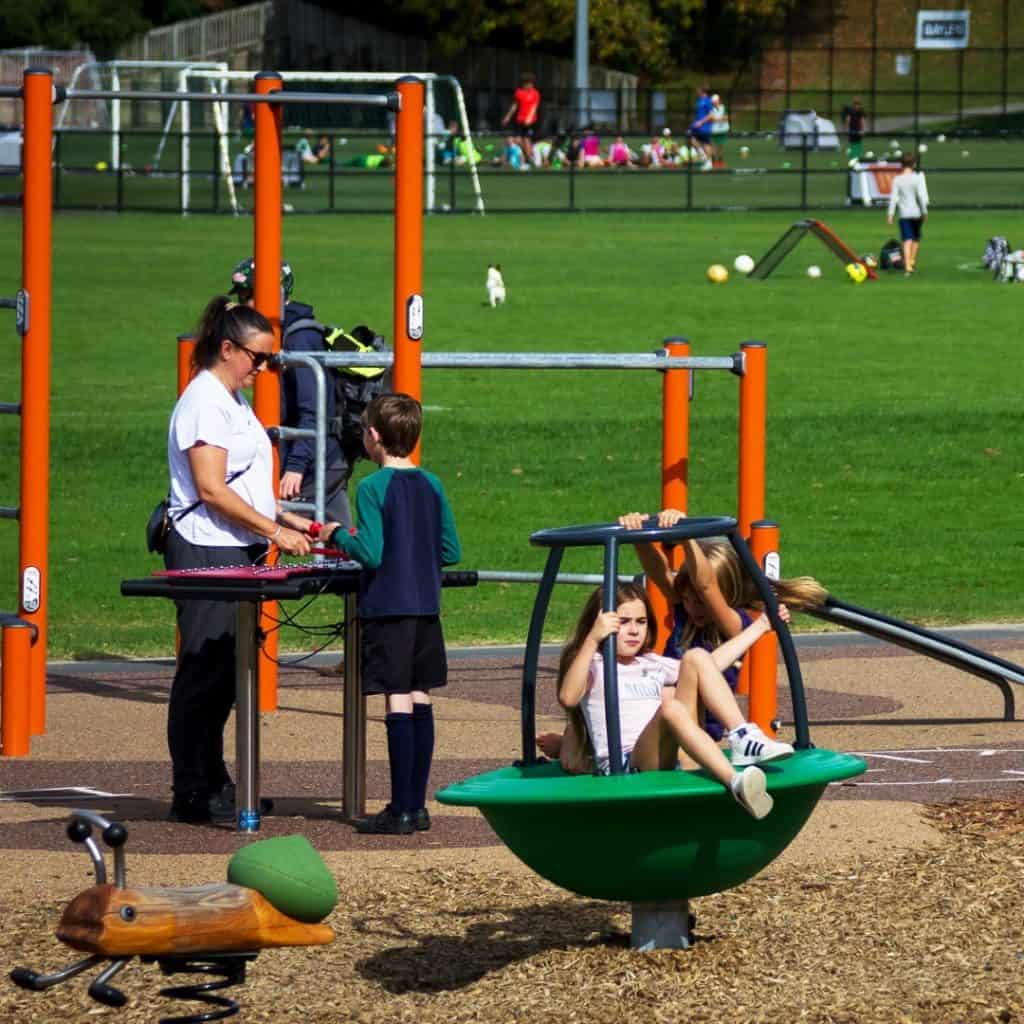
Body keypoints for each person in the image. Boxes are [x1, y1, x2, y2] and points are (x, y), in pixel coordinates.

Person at [164, 297, 314, 824]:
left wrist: (284, 515)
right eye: (258, 357)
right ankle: (192, 789)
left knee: (228, 670)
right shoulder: (205, 401)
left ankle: (216, 781)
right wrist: (273, 529)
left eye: (270, 360)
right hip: (206, 545)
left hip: (235, 543)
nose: (264, 368)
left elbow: (238, 480)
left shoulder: (231, 399)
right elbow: (209, 488)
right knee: (204, 670)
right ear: (227, 349)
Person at [322, 394, 461, 835]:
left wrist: (338, 534)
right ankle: (416, 805)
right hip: (426, 605)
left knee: (396, 699)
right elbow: (450, 550)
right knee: (420, 696)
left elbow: (371, 551)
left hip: (388, 605)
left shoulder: (371, 488)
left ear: (375, 437)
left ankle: (399, 808)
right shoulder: (433, 484)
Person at [554, 582, 793, 819]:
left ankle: (742, 735)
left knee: (697, 657)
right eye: (623, 622)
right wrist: (593, 639)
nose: (635, 631)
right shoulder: (595, 664)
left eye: (641, 621)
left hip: (669, 753)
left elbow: (712, 664)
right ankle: (735, 782)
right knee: (670, 705)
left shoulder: (649, 662)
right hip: (626, 764)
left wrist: (761, 625)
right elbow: (568, 696)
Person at [621, 508, 828, 738]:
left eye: (700, 601)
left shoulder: (733, 623)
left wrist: (688, 540)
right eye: (688, 599)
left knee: (691, 668)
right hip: (666, 712)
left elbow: (707, 586)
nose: (692, 607)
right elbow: (659, 574)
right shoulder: (685, 611)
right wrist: (638, 537)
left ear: (727, 594)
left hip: (700, 725)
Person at [228, 258, 353, 528]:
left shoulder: (299, 338)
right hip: (319, 457)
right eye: (241, 295)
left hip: (313, 461)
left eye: (250, 295)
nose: (243, 303)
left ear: (277, 294)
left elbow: (314, 407)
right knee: (339, 539)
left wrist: (296, 465)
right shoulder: (276, 334)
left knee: (271, 526)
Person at [886, 152, 929, 276]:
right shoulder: (917, 178)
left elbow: (894, 198)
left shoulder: (897, 179)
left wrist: (890, 214)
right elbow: (921, 196)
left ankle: (908, 266)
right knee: (916, 238)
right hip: (917, 213)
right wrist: (924, 211)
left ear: (901, 164)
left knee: (906, 239)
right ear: (914, 164)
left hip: (904, 213)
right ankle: (911, 261)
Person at [501, 72, 541, 164]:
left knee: (527, 139)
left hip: (530, 122)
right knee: (518, 139)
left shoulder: (535, 93)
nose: (528, 85)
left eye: (530, 83)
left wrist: (529, 118)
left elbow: (534, 107)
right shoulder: (519, 92)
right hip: (520, 120)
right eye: (526, 83)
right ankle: (527, 156)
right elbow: (514, 105)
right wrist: (508, 116)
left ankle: (530, 157)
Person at [688, 85, 715, 170]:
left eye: (698, 90)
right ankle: (702, 155)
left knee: (706, 144)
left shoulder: (707, 101)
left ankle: (709, 163)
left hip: (705, 127)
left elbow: (711, 115)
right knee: (690, 138)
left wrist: (701, 122)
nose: (696, 92)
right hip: (697, 126)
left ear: (702, 91)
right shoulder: (699, 100)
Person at [709, 93, 730, 167]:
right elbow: (712, 118)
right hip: (714, 130)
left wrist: (718, 119)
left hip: (723, 129)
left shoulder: (723, 107)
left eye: (716, 101)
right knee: (713, 145)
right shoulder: (711, 108)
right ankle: (713, 161)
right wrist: (720, 119)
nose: (715, 102)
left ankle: (720, 160)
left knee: (721, 145)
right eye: (713, 101)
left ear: (719, 101)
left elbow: (726, 118)